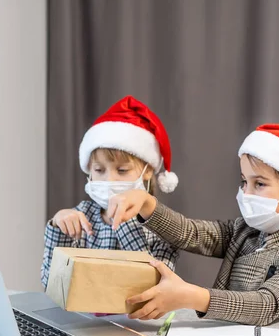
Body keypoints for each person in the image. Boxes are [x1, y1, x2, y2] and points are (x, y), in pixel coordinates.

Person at [109, 123, 279, 326]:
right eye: (244, 182)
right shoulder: (245, 231)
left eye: (260, 184)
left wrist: (190, 296)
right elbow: (192, 234)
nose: (246, 193)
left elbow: (266, 304)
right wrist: (147, 204)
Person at [41, 95, 180, 289]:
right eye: (99, 170)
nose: (109, 180)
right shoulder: (83, 216)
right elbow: (52, 285)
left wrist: (124, 221)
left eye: (122, 171)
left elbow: (153, 287)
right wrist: (59, 226)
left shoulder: (162, 228)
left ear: (147, 171)